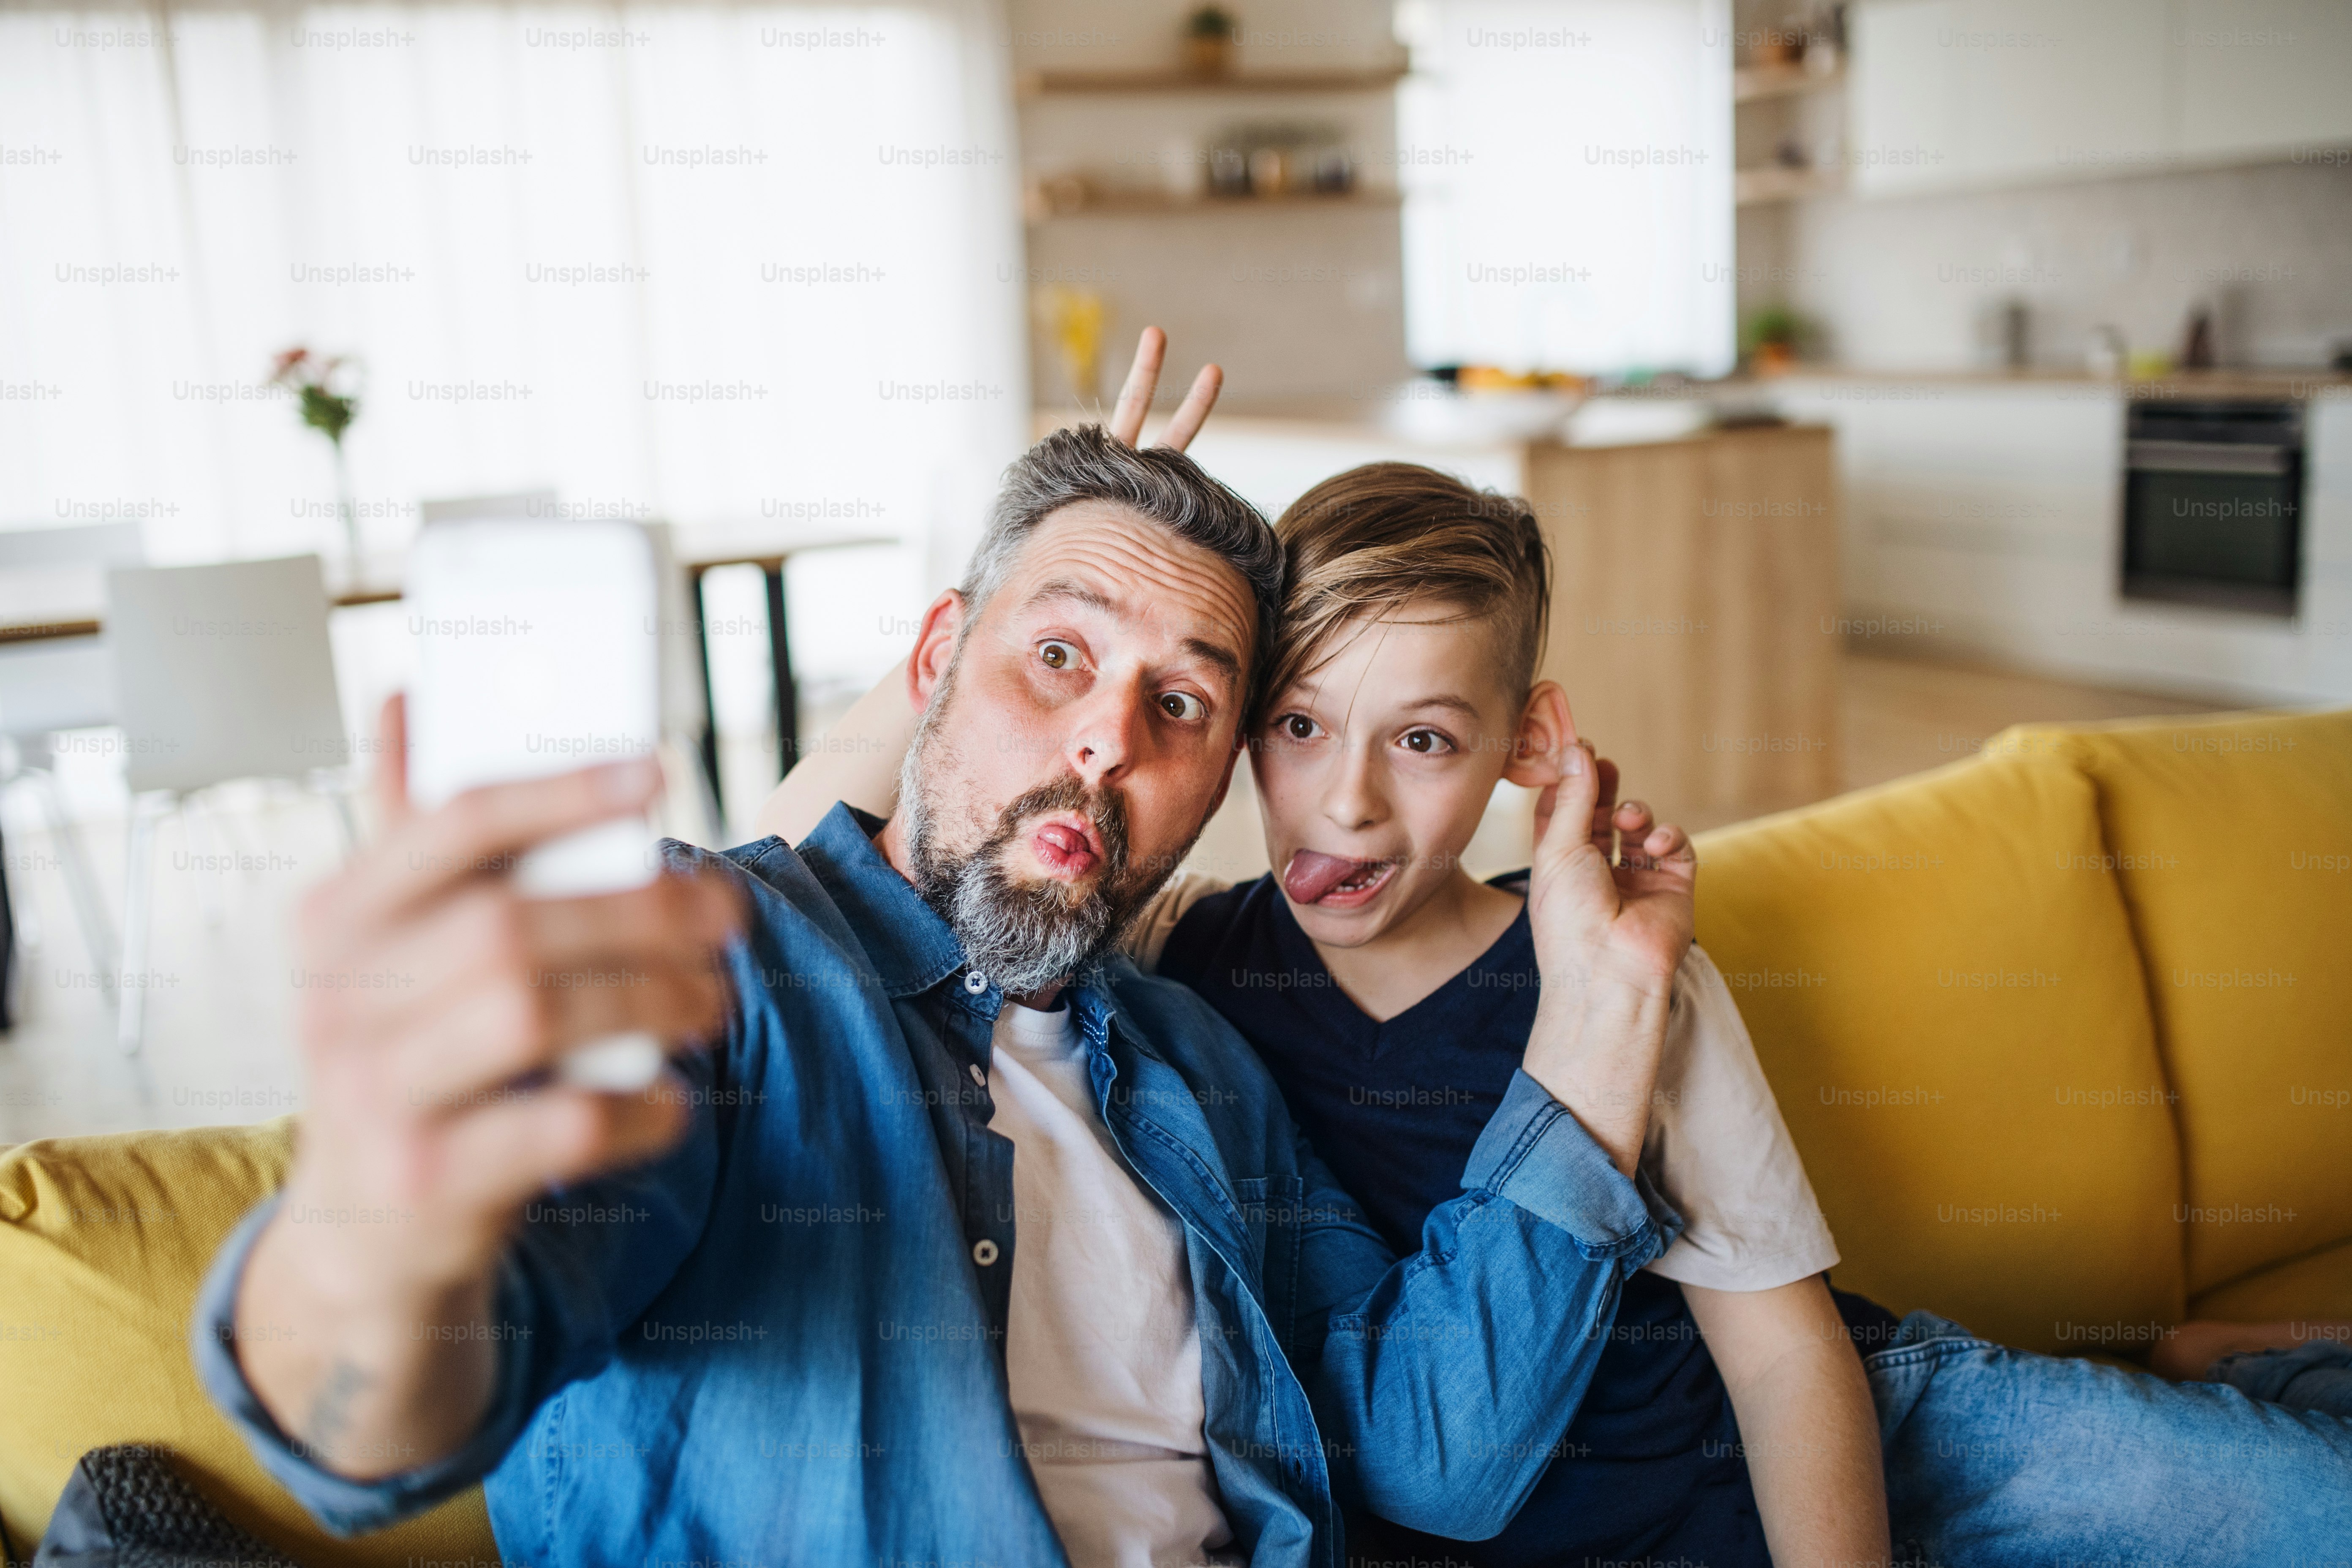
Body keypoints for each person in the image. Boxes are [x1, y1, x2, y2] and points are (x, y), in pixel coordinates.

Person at [193, 332, 1712, 1568]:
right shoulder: (717, 968)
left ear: (1223, 779)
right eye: (1058, 654)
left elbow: (1445, 1457)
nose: (1109, 736)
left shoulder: (1205, 1069)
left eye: (1182, 703)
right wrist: (381, 1226)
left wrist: (1601, 1008)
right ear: (933, 663)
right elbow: (376, 1418)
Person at [768, 453, 2352, 1566]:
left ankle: (2243, 1369)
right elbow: (833, 873)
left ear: (1527, 743)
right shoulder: (1173, 971)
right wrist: (1064, 558)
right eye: (1301, 724)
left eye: (1427, 742)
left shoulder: (1619, 971)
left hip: (1838, 1431)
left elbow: (1787, 1358)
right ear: (1234, 730)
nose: (1353, 807)